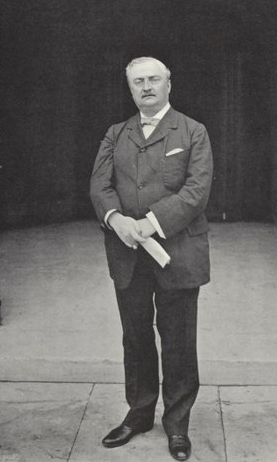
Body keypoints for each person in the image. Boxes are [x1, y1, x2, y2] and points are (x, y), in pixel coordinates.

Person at [90, 56, 213, 461]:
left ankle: (177, 425)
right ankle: (139, 414)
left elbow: (196, 191)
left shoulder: (193, 131)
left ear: (168, 84)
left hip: (178, 253)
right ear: (130, 89)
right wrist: (116, 219)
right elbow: (100, 184)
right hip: (128, 253)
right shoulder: (115, 133)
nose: (146, 87)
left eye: (154, 80)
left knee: (178, 340)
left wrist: (150, 222)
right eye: (138, 81)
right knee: (136, 336)